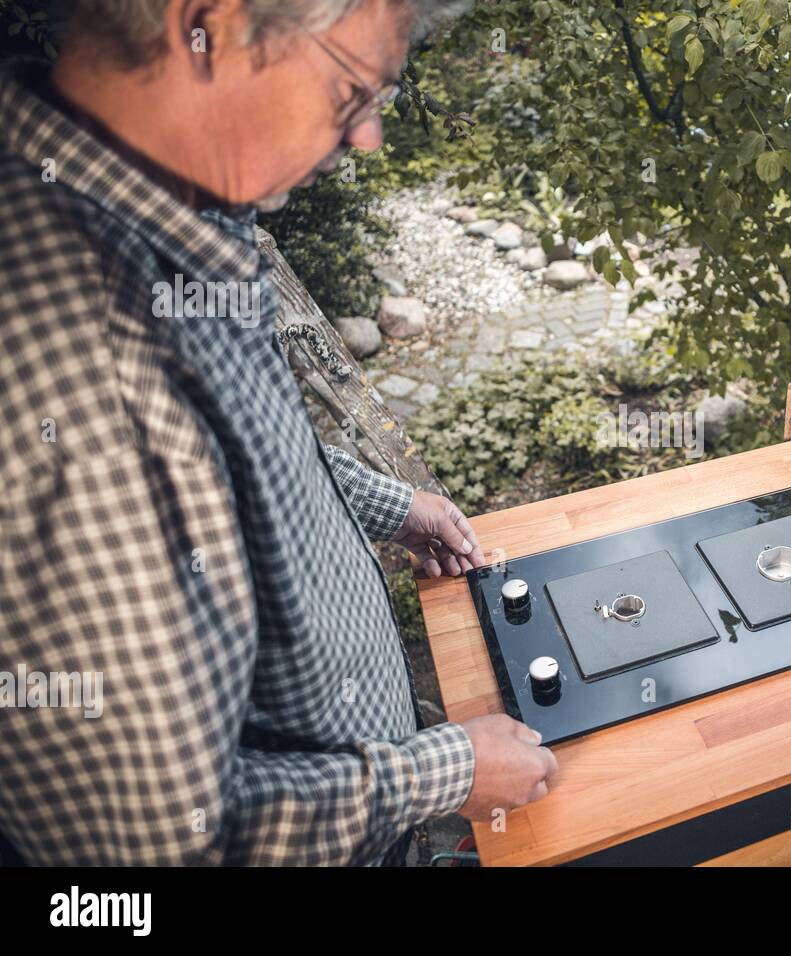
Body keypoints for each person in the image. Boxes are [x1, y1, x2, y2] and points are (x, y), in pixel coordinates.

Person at [0, 0, 555, 865]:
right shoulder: (83, 360)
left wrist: (389, 501)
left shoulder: (177, 215)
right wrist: (445, 773)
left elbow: (240, 465)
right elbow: (162, 844)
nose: (367, 136)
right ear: (209, 28)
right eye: (350, 91)